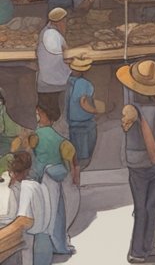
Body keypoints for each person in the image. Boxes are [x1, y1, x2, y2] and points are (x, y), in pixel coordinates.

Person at [118, 59, 155, 264]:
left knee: (140, 207)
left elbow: (125, 126)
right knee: (151, 207)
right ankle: (147, 246)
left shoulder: (131, 110)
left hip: (136, 164)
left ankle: (138, 250)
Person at [30, 102, 76, 257]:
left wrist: (35, 175)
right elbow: (68, 154)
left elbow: (37, 160)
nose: (37, 116)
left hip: (44, 178)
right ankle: (59, 245)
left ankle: (47, 246)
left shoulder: (37, 135)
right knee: (57, 212)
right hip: (55, 178)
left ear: (46, 116)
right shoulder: (58, 137)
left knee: (46, 211)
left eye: (39, 113)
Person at [0, 151, 54, 265]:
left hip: (30, 240)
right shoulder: (34, 185)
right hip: (33, 235)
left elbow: (24, 221)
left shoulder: (27, 187)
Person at [36, 8, 72, 119]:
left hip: (49, 80)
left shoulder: (48, 31)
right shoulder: (51, 35)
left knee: (51, 115)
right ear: (59, 22)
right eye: (64, 22)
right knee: (52, 115)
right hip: (53, 83)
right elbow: (61, 56)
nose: (65, 24)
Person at [65, 56, 98, 168]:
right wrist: (95, 110)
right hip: (85, 124)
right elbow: (83, 102)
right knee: (84, 157)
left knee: (75, 155)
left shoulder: (68, 82)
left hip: (71, 124)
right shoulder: (84, 83)